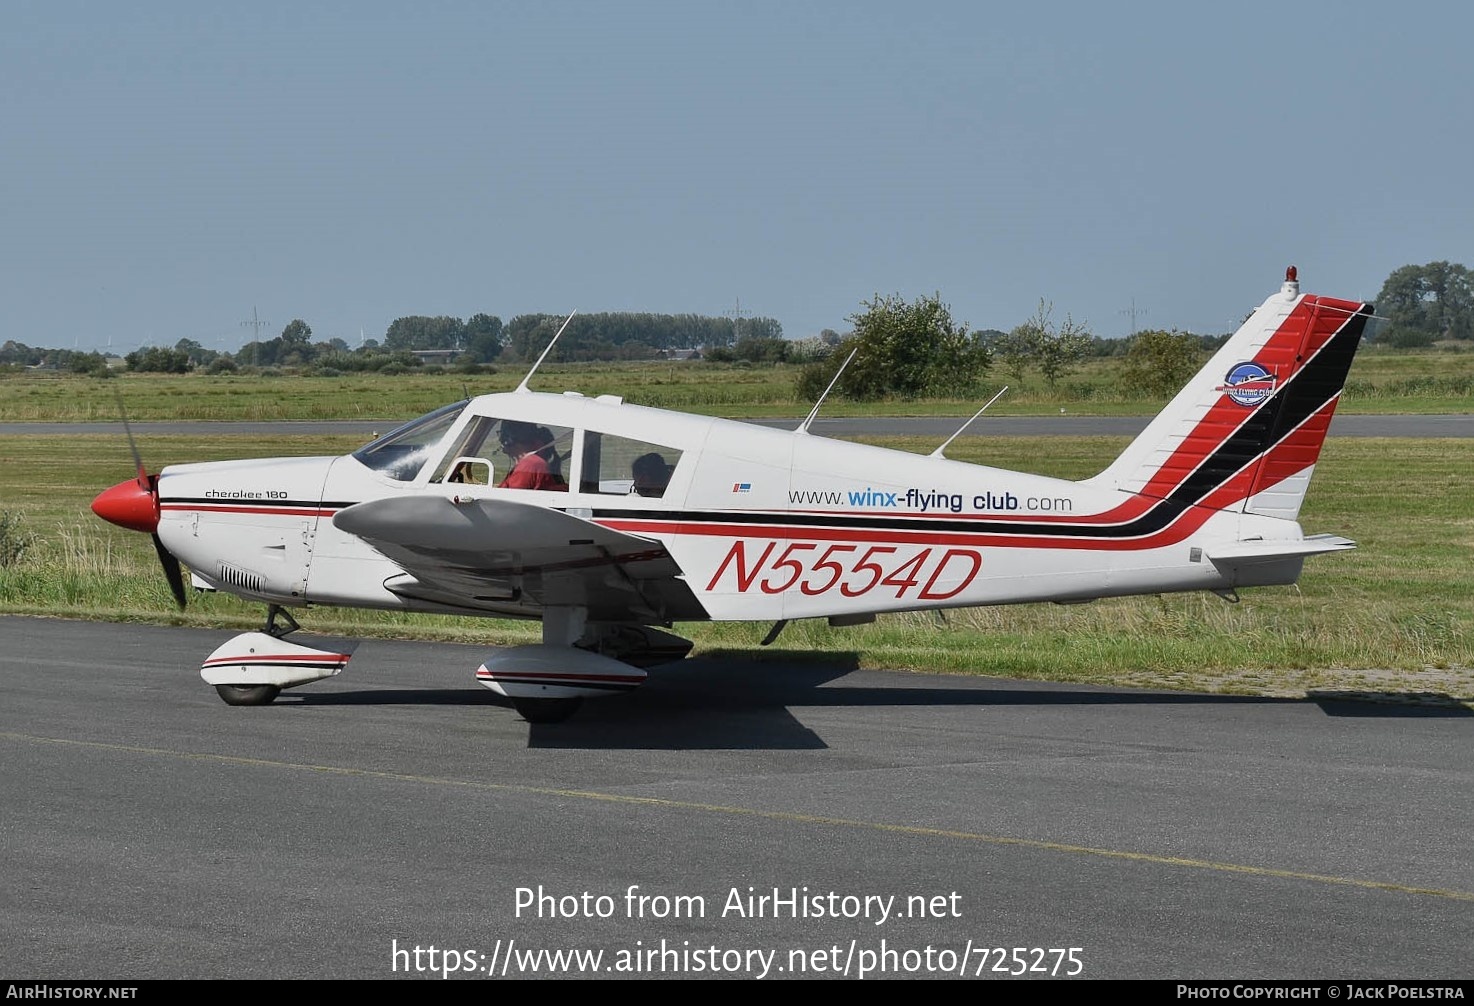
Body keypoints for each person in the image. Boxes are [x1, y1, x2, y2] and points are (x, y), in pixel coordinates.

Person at [496, 421, 567, 491]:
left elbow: (511, 498)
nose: (500, 439)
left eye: (502, 434)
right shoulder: (530, 463)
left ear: (509, 439)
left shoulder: (530, 464)